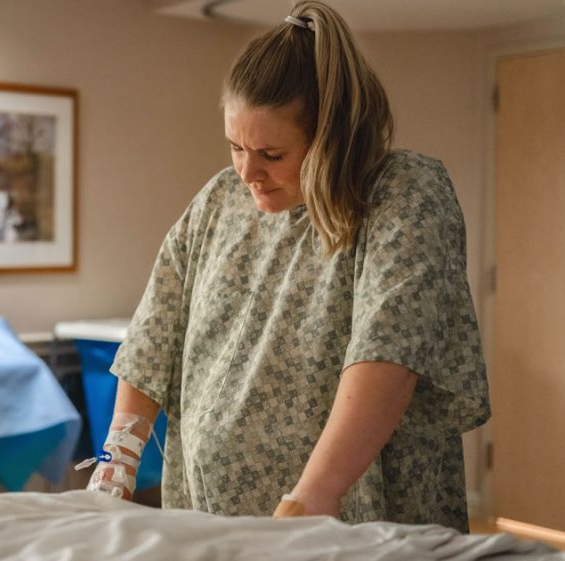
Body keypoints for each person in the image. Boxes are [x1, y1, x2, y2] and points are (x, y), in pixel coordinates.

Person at [85, 0, 491, 532]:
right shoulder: (219, 201)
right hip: (212, 516)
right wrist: (117, 463)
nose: (248, 172)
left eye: (272, 155)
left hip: (346, 520)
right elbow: (155, 334)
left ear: (334, 137)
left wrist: (311, 498)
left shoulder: (402, 195)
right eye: (235, 147)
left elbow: (389, 352)